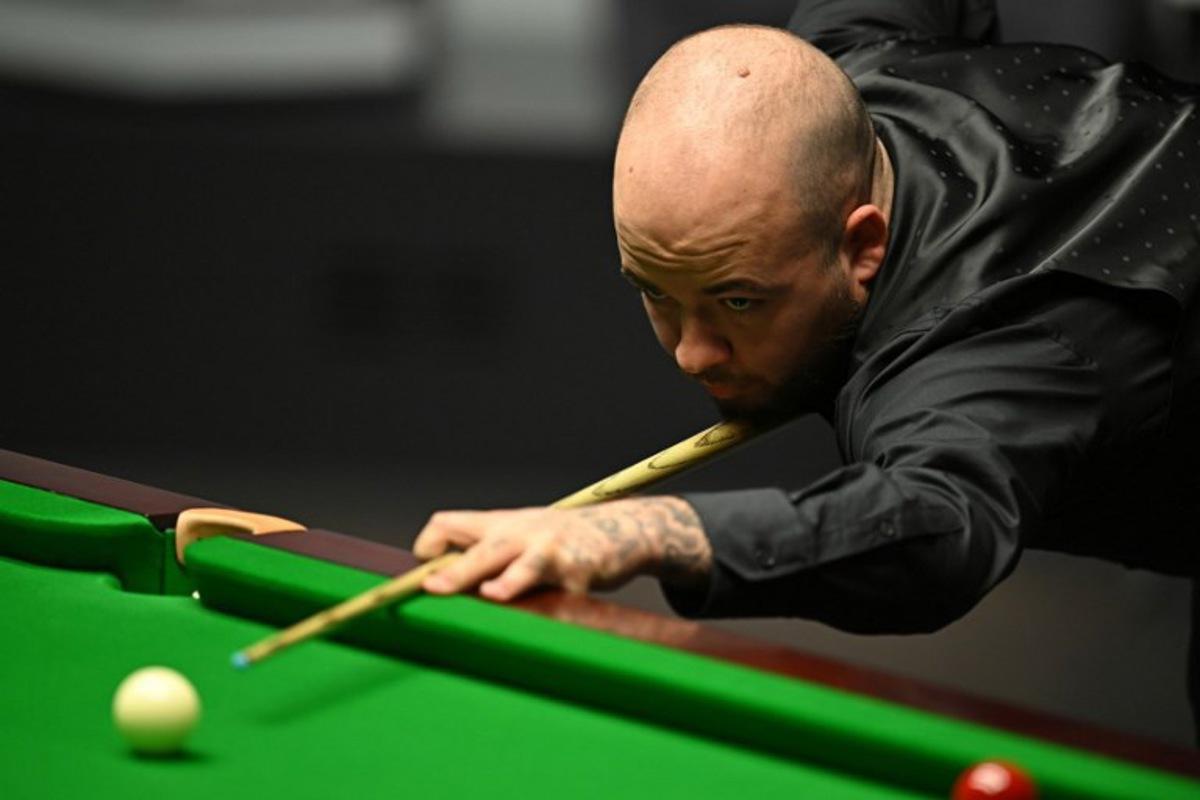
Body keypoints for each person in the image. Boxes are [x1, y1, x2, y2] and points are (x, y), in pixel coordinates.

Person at [413, 1, 1200, 730]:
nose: (692, 353)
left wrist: (644, 530)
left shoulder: (987, 346)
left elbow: (937, 526)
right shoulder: (850, 54)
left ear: (861, 246)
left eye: (740, 301)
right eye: (655, 292)